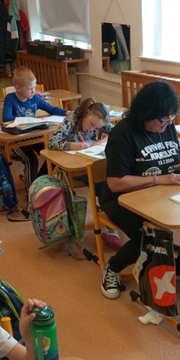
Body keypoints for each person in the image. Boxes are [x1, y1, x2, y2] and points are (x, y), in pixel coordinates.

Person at [99, 80, 180, 299]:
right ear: (146, 113)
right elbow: (116, 183)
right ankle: (112, 268)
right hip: (123, 199)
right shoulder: (123, 133)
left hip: (162, 194)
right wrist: (158, 179)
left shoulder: (166, 127)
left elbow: (177, 159)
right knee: (150, 234)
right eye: (163, 119)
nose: (168, 123)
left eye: (172, 118)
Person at [47, 97, 123, 249]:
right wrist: (73, 145)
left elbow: (117, 133)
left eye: (97, 128)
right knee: (103, 184)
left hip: (89, 161)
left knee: (110, 178)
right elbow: (51, 142)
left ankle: (111, 223)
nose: (92, 129)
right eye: (92, 125)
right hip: (72, 166)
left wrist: (101, 141)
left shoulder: (98, 121)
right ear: (86, 113)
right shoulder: (71, 120)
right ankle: (111, 227)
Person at [3, 66, 67, 190]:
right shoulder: (10, 99)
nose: (33, 91)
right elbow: (6, 118)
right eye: (29, 89)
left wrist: (66, 112)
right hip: (17, 140)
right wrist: (25, 121)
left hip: (33, 136)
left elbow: (51, 109)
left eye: (34, 87)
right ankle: (31, 192)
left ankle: (38, 181)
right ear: (18, 88)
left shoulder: (35, 98)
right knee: (31, 160)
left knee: (52, 155)